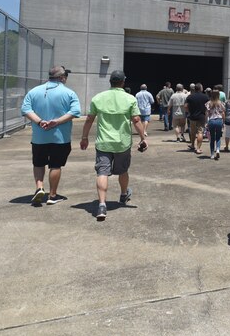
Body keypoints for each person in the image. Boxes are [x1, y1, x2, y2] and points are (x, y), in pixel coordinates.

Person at [80, 70, 147, 221]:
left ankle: (102, 205)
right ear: (123, 82)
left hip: (103, 143)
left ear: (110, 81)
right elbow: (136, 120)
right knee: (123, 171)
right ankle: (123, 195)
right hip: (122, 143)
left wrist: (84, 137)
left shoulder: (98, 98)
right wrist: (143, 138)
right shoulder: (130, 99)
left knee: (102, 172)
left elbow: (89, 119)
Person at [21, 66, 81, 205]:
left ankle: (39, 187)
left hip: (39, 137)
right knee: (55, 165)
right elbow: (75, 111)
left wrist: (39, 121)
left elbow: (25, 109)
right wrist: (57, 122)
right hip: (60, 138)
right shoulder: (69, 93)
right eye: (65, 75)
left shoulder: (34, 91)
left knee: (38, 163)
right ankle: (52, 195)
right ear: (61, 78)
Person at [185, 83, 208, 155]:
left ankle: (192, 145)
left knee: (193, 132)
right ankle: (198, 148)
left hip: (192, 117)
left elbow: (185, 106)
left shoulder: (190, 97)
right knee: (200, 132)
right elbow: (208, 108)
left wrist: (189, 112)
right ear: (201, 88)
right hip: (201, 117)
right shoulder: (205, 97)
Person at [206, 89, 225, 160]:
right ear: (218, 95)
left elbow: (207, 113)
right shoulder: (221, 103)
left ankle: (212, 154)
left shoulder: (208, 103)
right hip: (219, 120)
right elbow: (223, 113)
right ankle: (217, 150)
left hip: (211, 121)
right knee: (218, 137)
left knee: (212, 138)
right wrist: (223, 121)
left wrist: (206, 122)